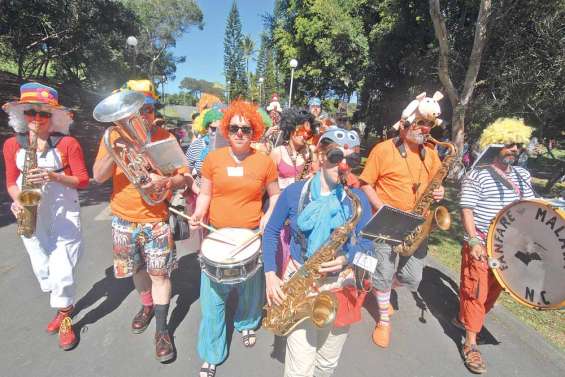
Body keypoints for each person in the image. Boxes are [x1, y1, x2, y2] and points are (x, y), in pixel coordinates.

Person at [92, 79, 192, 362]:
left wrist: (168, 179)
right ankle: (146, 306)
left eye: (146, 109)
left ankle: (162, 331)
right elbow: (98, 177)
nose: (141, 116)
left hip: (156, 219)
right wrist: (115, 150)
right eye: (136, 110)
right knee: (137, 272)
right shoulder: (112, 138)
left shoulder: (165, 137)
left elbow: (185, 179)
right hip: (123, 219)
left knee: (159, 275)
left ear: (152, 111)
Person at [262, 130, 373, 377]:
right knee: (299, 370)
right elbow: (270, 233)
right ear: (321, 156)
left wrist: (347, 258)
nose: (343, 166)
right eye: (336, 156)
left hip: (340, 286)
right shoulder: (294, 193)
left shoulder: (358, 200)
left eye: (351, 160)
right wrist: (270, 275)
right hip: (300, 281)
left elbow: (369, 244)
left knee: (326, 364)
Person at [189, 100, 280, 377]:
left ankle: (247, 323)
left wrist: (267, 216)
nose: (240, 132)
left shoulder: (264, 161)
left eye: (246, 128)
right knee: (212, 297)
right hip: (217, 235)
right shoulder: (212, 159)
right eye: (234, 127)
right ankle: (211, 352)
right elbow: (205, 193)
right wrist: (198, 212)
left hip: (251, 236)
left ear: (255, 130)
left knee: (251, 289)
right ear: (225, 130)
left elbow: (275, 195)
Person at [3, 82, 89, 350]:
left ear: (55, 118)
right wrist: (17, 202)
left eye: (44, 114)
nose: (37, 119)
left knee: (62, 269)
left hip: (64, 211)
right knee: (43, 268)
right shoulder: (10, 145)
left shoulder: (68, 143)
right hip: (32, 211)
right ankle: (64, 306)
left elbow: (83, 180)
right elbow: (11, 182)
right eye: (31, 112)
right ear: (22, 115)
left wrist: (53, 176)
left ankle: (65, 318)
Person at [359, 92, 446, 348]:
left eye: (429, 125)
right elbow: (365, 184)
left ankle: (379, 290)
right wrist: (380, 207)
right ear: (405, 122)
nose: (425, 129)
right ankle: (383, 320)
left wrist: (440, 192)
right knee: (384, 273)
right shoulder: (383, 149)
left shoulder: (431, 154)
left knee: (412, 278)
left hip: (418, 224)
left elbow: (436, 185)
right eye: (420, 123)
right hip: (387, 222)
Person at [455, 118, 535, 374]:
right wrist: (474, 240)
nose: (514, 149)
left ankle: (464, 320)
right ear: (494, 143)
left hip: (510, 247)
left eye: (517, 145)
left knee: (494, 290)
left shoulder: (523, 176)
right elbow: (467, 210)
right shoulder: (476, 175)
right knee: (475, 291)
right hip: (480, 242)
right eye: (508, 144)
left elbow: (532, 208)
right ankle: (470, 344)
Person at [270, 107, 317, 189]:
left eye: (309, 133)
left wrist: (314, 177)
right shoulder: (277, 153)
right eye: (302, 130)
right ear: (291, 128)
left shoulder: (312, 152)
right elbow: (269, 183)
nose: (305, 135)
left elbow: (318, 176)